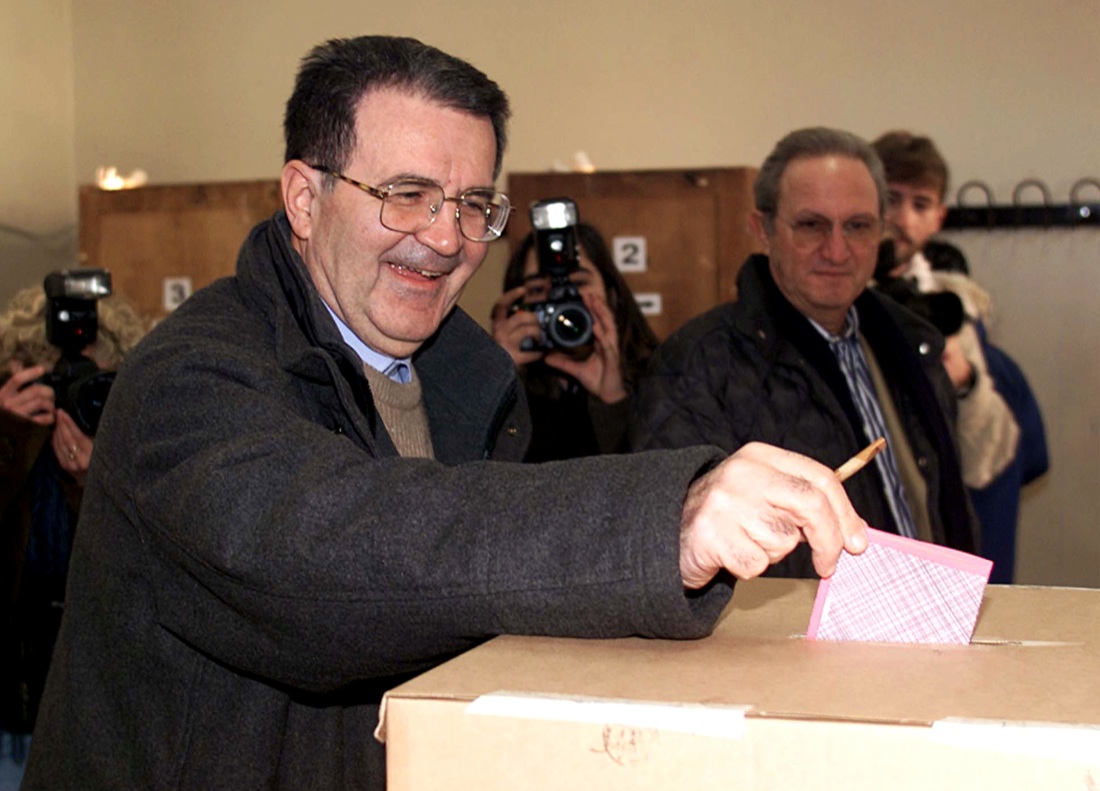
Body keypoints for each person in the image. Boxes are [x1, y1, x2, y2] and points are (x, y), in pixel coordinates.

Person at [22, 37, 867, 791]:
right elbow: (338, 557)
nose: (446, 235)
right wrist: (667, 519)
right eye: (406, 192)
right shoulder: (190, 378)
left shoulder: (470, 382)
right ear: (304, 198)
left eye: (473, 204)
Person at [631, 127, 978, 579]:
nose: (836, 250)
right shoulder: (696, 365)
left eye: (857, 226)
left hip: (924, 627)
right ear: (764, 230)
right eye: (812, 225)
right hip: (790, 644)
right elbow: (668, 551)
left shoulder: (915, 347)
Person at [872, 130, 1048, 582]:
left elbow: (993, 465)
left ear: (939, 217)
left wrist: (966, 383)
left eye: (920, 204)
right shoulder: (829, 294)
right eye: (890, 198)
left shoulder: (959, 314)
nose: (903, 218)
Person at [0, 283, 147, 783]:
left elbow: (140, 585)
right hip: (12, 720)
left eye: (91, 382)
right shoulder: (8, 445)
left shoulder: (136, 451)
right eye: (55, 379)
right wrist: (8, 442)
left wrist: (94, 485)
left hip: (103, 718)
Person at [491, 222, 658, 460]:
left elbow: (657, 480)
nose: (560, 302)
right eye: (538, 289)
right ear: (518, 306)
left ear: (612, 296)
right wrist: (495, 379)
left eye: (578, 284)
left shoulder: (662, 374)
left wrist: (614, 402)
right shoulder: (509, 387)